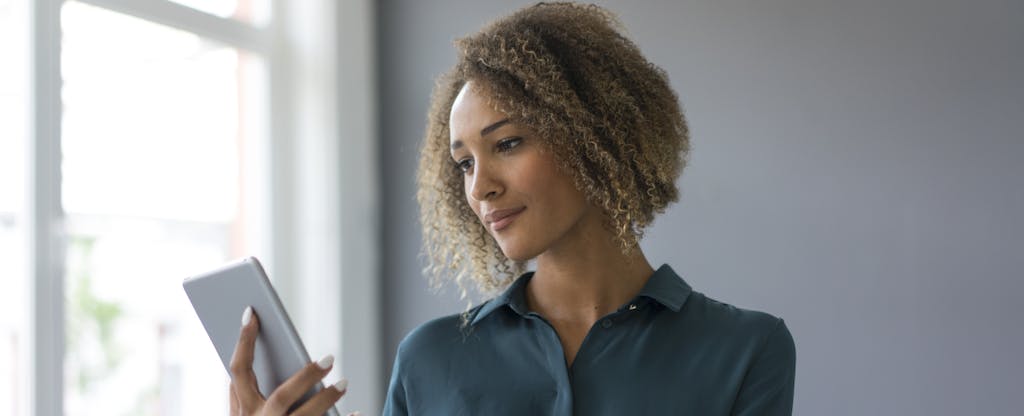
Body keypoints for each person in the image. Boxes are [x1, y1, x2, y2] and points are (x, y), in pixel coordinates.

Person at [228, 2, 795, 415]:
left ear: (592, 134)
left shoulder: (746, 349)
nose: (480, 188)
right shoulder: (430, 358)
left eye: (506, 144)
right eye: (464, 163)